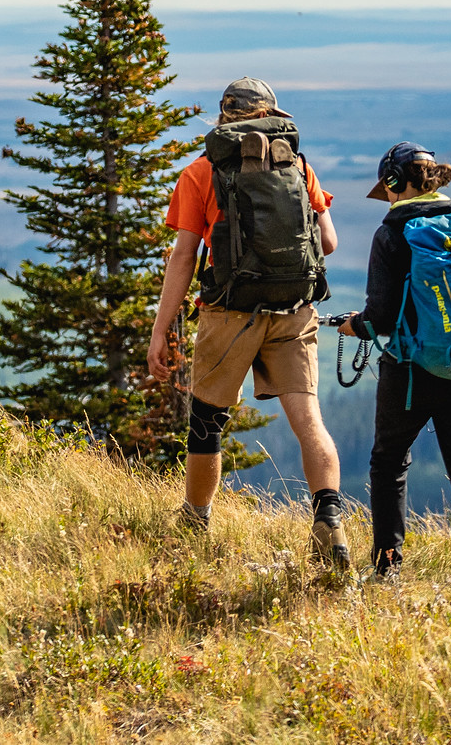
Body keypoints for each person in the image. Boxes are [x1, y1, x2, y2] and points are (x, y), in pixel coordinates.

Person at [148, 76, 350, 565]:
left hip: (229, 312)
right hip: (294, 309)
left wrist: (162, 328)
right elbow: (327, 244)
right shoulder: (298, 166)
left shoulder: (200, 172)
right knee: (308, 420)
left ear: (225, 115)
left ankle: (195, 519)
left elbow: (183, 257)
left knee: (207, 421)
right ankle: (329, 519)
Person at [338, 141, 451, 611]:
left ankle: (388, 564)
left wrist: (355, 325)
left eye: (388, 188)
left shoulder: (393, 234)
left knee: (389, 460)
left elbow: (381, 317)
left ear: (395, 183)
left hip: (413, 373)